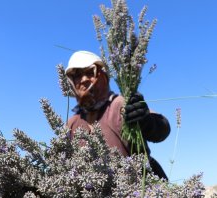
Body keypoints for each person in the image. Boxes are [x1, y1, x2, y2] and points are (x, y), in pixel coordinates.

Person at [65, 50, 170, 179]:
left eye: (89, 72)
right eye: (77, 75)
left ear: (103, 75)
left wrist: (147, 120)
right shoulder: (72, 123)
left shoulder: (119, 104)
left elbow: (162, 130)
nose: (84, 79)